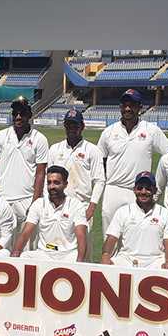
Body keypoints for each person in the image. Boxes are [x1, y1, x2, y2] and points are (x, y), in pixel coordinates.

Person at [96, 89, 168, 236]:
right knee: (110, 235)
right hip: (113, 189)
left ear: (139, 107)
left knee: (136, 236)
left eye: (132, 105)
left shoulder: (151, 130)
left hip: (138, 191)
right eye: (124, 105)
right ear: (120, 107)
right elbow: (99, 160)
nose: (127, 108)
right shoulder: (109, 132)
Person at [0, 96, 49, 249]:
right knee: (1, 245)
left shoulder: (39, 139)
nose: (18, 117)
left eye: (22, 113)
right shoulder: (1, 136)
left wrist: (35, 202)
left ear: (29, 115)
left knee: (26, 247)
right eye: (15, 113)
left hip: (27, 199)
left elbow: (40, 173)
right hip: (3, 197)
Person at [48, 108, 105, 258]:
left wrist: (92, 207)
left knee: (83, 251)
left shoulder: (92, 150)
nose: (72, 129)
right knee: (56, 246)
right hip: (58, 205)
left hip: (82, 205)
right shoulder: (55, 149)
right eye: (68, 125)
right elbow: (48, 180)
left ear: (82, 127)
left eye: (75, 125)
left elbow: (99, 180)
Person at [101, 171, 168, 269]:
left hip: (155, 261)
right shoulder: (123, 211)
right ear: (134, 190)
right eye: (140, 188)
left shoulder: (165, 213)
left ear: (155, 190)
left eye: (148, 188)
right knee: (109, 264)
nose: (143, 192)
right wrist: (106, 255)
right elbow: (111, 238)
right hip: (126, 259)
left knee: (167, 266)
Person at [11, 165, 87, 263]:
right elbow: (25, 233)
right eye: (49, 183)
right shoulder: (39, 203)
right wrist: (15, 257)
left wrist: (79, 264)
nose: (52, 187)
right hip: (44, 254)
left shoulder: (76, 205)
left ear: (65, 184)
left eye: (56, 183)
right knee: (24, 256)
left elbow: (81, 236)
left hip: (68, 255)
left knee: (79, 259)